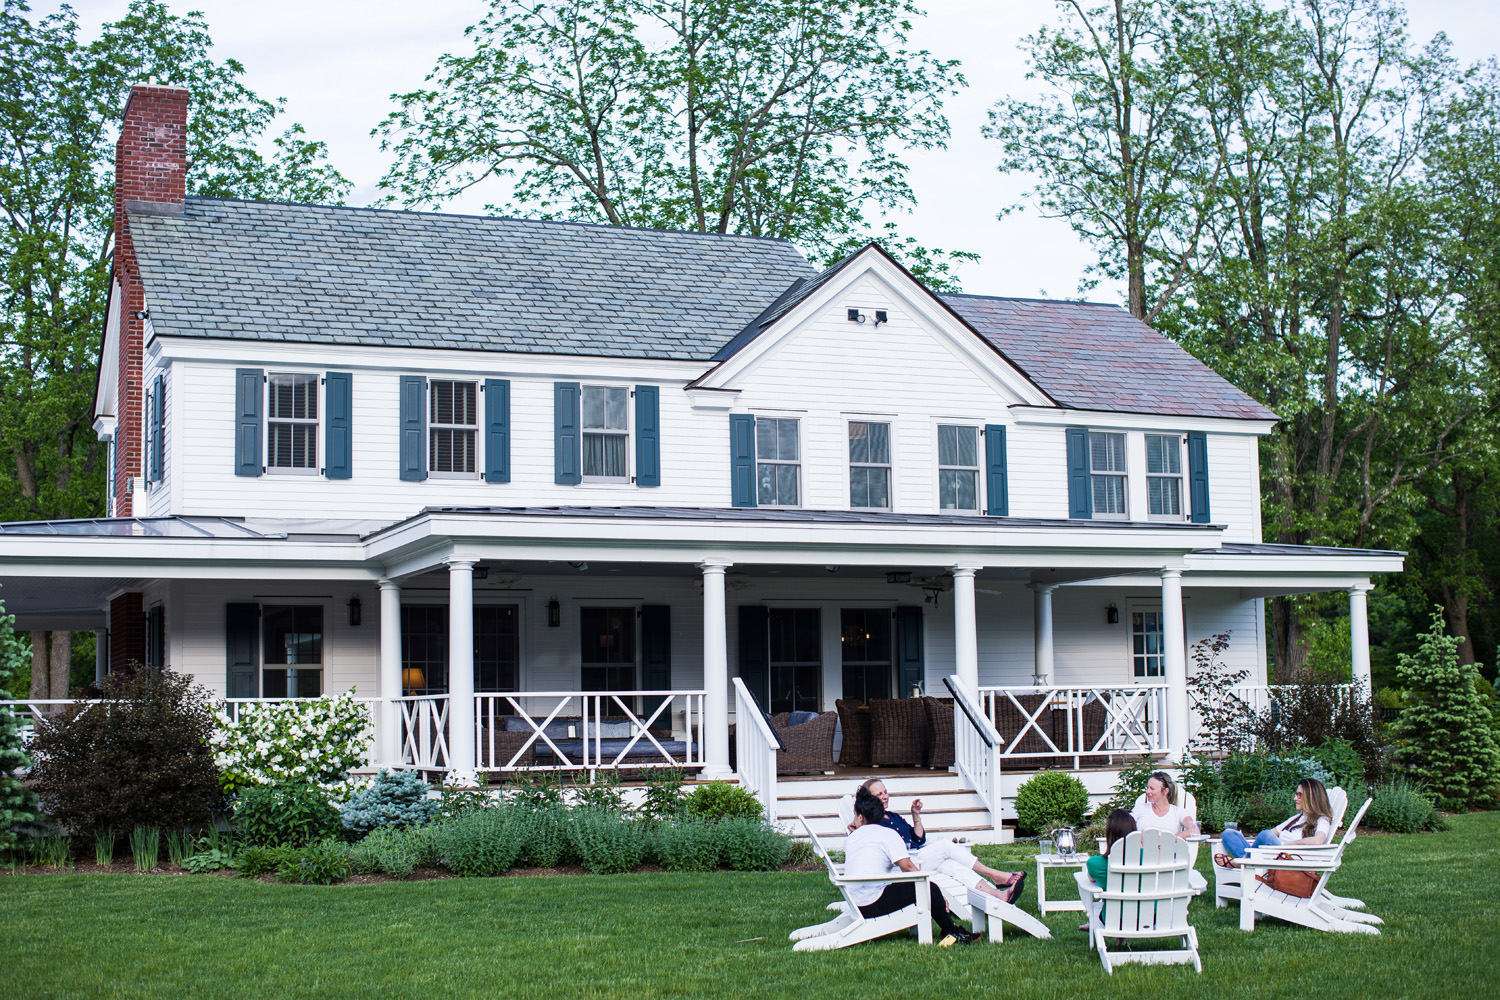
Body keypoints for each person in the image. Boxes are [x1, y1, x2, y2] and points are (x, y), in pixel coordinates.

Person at [844, 786, 980, 946]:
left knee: (922, 889)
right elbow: (907, 868)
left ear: (861, 818)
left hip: (855, 902)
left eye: (854, 816)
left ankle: (951, 929)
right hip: (872, 904)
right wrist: (933, 894)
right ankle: (952, 932)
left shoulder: (852, 838)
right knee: (930, 889)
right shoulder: (886, 834)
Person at [860, 778, 1027, 905]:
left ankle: (1000, 896)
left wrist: (915, 815)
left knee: (952, 865)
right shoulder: (872, 822)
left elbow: (918, 838)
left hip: (918, 858)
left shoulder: (893, 816)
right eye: (879, 794)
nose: (884, 797)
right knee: (945, 845)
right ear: (870, 799)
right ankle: (995, 875)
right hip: (902, 868)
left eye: (886, 792)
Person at [1214, 778, 1334, 867]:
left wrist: (1290, 844)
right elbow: (1272, 833)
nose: (1295, 798)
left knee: (1266, 835)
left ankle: (1240, 862)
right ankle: (1245, 861)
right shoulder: (1297, 818)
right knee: (1228, 833)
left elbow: (1318, 840)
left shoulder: (1322, 820)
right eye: (1296, 794)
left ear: (1311, 798)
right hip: (1271, 854)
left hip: (1287, 860)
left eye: (1299, 795)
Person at [1081, 809, 1136, 932]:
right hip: (1150, 917)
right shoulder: (1148, 860)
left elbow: (1090, 878)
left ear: (1109, 834)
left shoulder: (1096, 863)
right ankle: (1121, 940)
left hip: (1114, 918)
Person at [1130, 771, 1200, 838]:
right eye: (1147, 788)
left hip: (1168, 849)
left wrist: (1170, 839)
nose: (1147, 791)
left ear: (1166, 791)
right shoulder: (1140, 809)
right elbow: (1124, 825)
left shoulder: (1178, 812)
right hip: (1142, 849)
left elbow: (1194, 830)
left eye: (1152, 788)